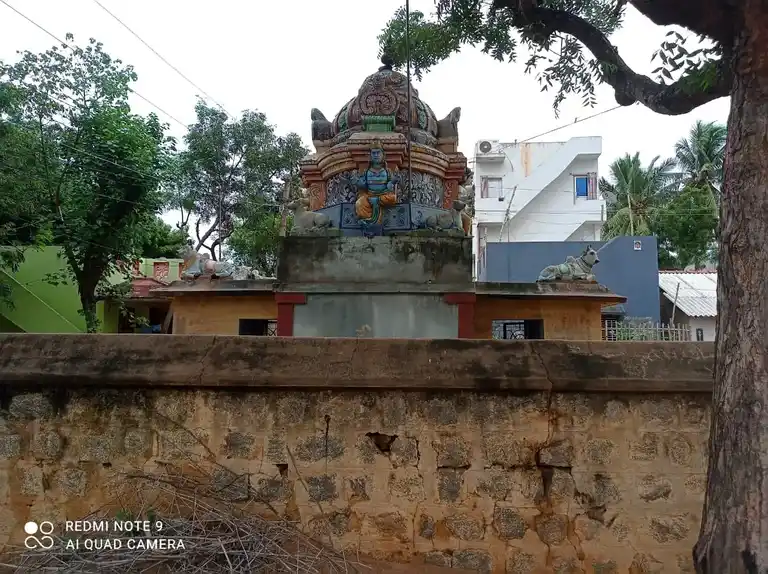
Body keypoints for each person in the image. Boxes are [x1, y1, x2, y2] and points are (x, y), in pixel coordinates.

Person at [353, 140, 399, 225]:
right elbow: (363, 185)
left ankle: (376, 204)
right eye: (373, 153)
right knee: (359, 203)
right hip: (369, 195)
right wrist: (358, 183)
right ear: (370, 156)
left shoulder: (387, 171)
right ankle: (368, 220)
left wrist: (392, 183)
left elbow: (393, 181)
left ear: (383, 155)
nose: (376, 155)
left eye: (378, 153)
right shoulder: (366, 172)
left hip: (383, 196)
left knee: (393, 198)